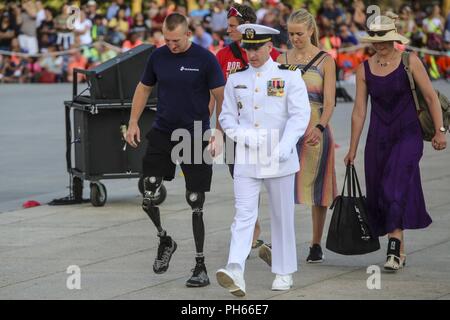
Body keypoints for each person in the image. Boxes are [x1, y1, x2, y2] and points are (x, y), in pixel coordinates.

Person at [125, 13, 225, 287]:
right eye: (167, 40)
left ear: (188, 34)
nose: (171, 45)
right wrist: (133, 121)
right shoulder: (158, 57)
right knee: (148, 192)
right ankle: (165, 239)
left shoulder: (205, 59)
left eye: (176, 40)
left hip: (195, 135)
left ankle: (200, 265)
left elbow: (221, 97)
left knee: (195, 200)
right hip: (163, 132)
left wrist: (219, 132)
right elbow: (144, 89)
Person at [344, 13, 447, 272]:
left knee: (393, 185)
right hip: (378, 138)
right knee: (381, 192)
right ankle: (400, 248)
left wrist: (440, 131)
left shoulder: (409, 60)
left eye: (385, 38)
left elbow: (431, 98)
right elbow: (359, 111)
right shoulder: (364, 68)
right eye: (375, 39)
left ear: (394, 37)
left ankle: (393, 246)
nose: (379, 43)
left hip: (408, 134)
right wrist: (352, 148)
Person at [216, 23, 310, 296]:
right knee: (244, 215)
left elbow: (299, 115)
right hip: (247, 156)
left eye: (256, 47)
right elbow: (226, 117)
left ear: (270, 46)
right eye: (247, 48)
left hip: (278, 156)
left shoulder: (289, 76)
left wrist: (285, 145)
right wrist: (243, 135)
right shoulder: (236, 79)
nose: (251, 53)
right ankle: (235, 269)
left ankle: (283, 271)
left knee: (281, 216)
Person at [270, 8, 336, 265]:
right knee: (281, 186)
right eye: (291, 33)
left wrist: (320, 127)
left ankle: (316, 243)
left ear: (310, 31)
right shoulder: (281, 58)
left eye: (299, 33)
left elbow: (330, 102)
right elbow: (274, 95)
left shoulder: (325, 60)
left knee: (316, 188)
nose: (295, 38)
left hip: (314, 125)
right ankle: (282, 239)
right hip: (286, 129)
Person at [213, 3, 280, 251]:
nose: (228, 30)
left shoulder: (270, 54)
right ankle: (253, 229)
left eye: (232, 26)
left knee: (270, 183)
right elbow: (216, 97)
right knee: (240, 182)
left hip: (263, 129)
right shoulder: (222, 56)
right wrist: (216, 132)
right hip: (234, 130)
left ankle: (273, 237)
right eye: (228, 25)